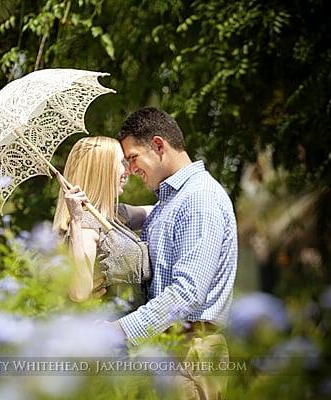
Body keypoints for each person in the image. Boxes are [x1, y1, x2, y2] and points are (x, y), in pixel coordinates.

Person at [108, 107, 238, 399]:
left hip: (190, 353)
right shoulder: (175, 200)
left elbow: (188, 293)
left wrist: (121, 329)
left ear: (157, 145)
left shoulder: (199, 199)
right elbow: (151, 220)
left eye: (132, 159)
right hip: (174, 353)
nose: (129, 170)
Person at [52, 136, 153, 310]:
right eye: (122, 162)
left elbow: (160, 209)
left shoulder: (117, 214)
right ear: (102, 168)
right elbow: (79, 293)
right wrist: (76, 220)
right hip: (112, 329)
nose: (128, 170)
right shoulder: (85, 225)